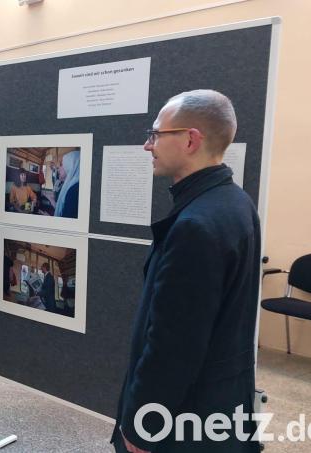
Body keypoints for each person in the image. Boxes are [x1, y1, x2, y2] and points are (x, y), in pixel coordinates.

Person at [112, 90, 262, 453]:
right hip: (216, 407)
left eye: (156, 135)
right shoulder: (235, 202)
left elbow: (174, 345)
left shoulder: (196, 224)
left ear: (191, 139)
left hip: (182, 421)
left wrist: (144, 423)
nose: (149, 146)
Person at [54, 151, 80, 218]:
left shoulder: (73, 190)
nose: (59, 168)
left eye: (62, 164)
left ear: (71, 165)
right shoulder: (73, 185)